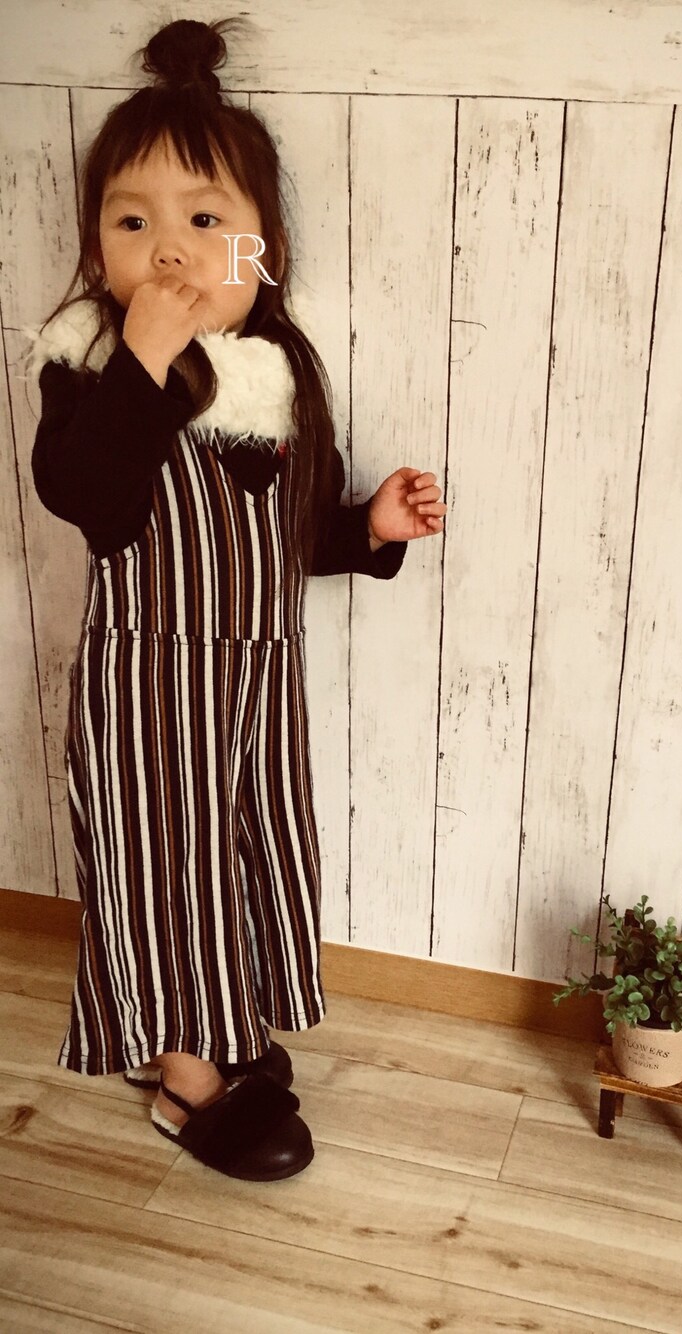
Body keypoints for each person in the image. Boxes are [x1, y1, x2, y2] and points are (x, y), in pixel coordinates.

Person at [25, 16, 446, 1183]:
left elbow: (285, 534)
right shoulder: (93, 367)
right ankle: (183, 1077)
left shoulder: (278, 379)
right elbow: (84, 495)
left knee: (241, 862)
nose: (169, 250)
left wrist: (366, 528)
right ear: (97, 251)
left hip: (255, 686)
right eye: (133, 224)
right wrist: (147, 364)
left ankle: (223, 1023)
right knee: (161, 871)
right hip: (149, 688)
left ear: (265, 250)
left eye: (206, 222)